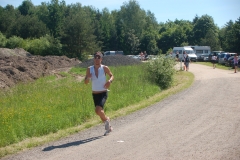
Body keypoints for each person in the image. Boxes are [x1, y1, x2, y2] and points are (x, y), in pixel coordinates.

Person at [84, 51, 114, 136]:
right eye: (95, 57)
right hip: (95, 94)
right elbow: (86, 82)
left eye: (99, 57)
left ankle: (107, 120)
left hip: (103, 93)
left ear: (101, 59)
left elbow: (112, 75)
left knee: (98, 110)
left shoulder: (105, 68)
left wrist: (109, 81)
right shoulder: (90, 69)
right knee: (99, 112)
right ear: (94, 59)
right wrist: (87, 78)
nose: (97, 59)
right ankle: (109, 127)